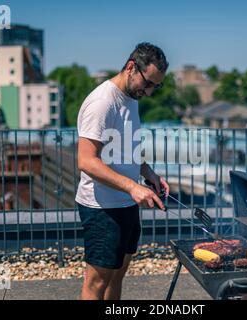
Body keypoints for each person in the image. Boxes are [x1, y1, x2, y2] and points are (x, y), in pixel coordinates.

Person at [76, 42, 170, 300]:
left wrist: (148, 172)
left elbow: (124, 149)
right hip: (102, 209)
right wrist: (132, 186)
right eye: (148, 83)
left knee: (117, 275)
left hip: (126, 204)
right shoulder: (102, 103)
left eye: (156, 87)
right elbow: (86, 161)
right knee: (96, 285)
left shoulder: (132, 98)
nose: (149, 92)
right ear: (131, 67)